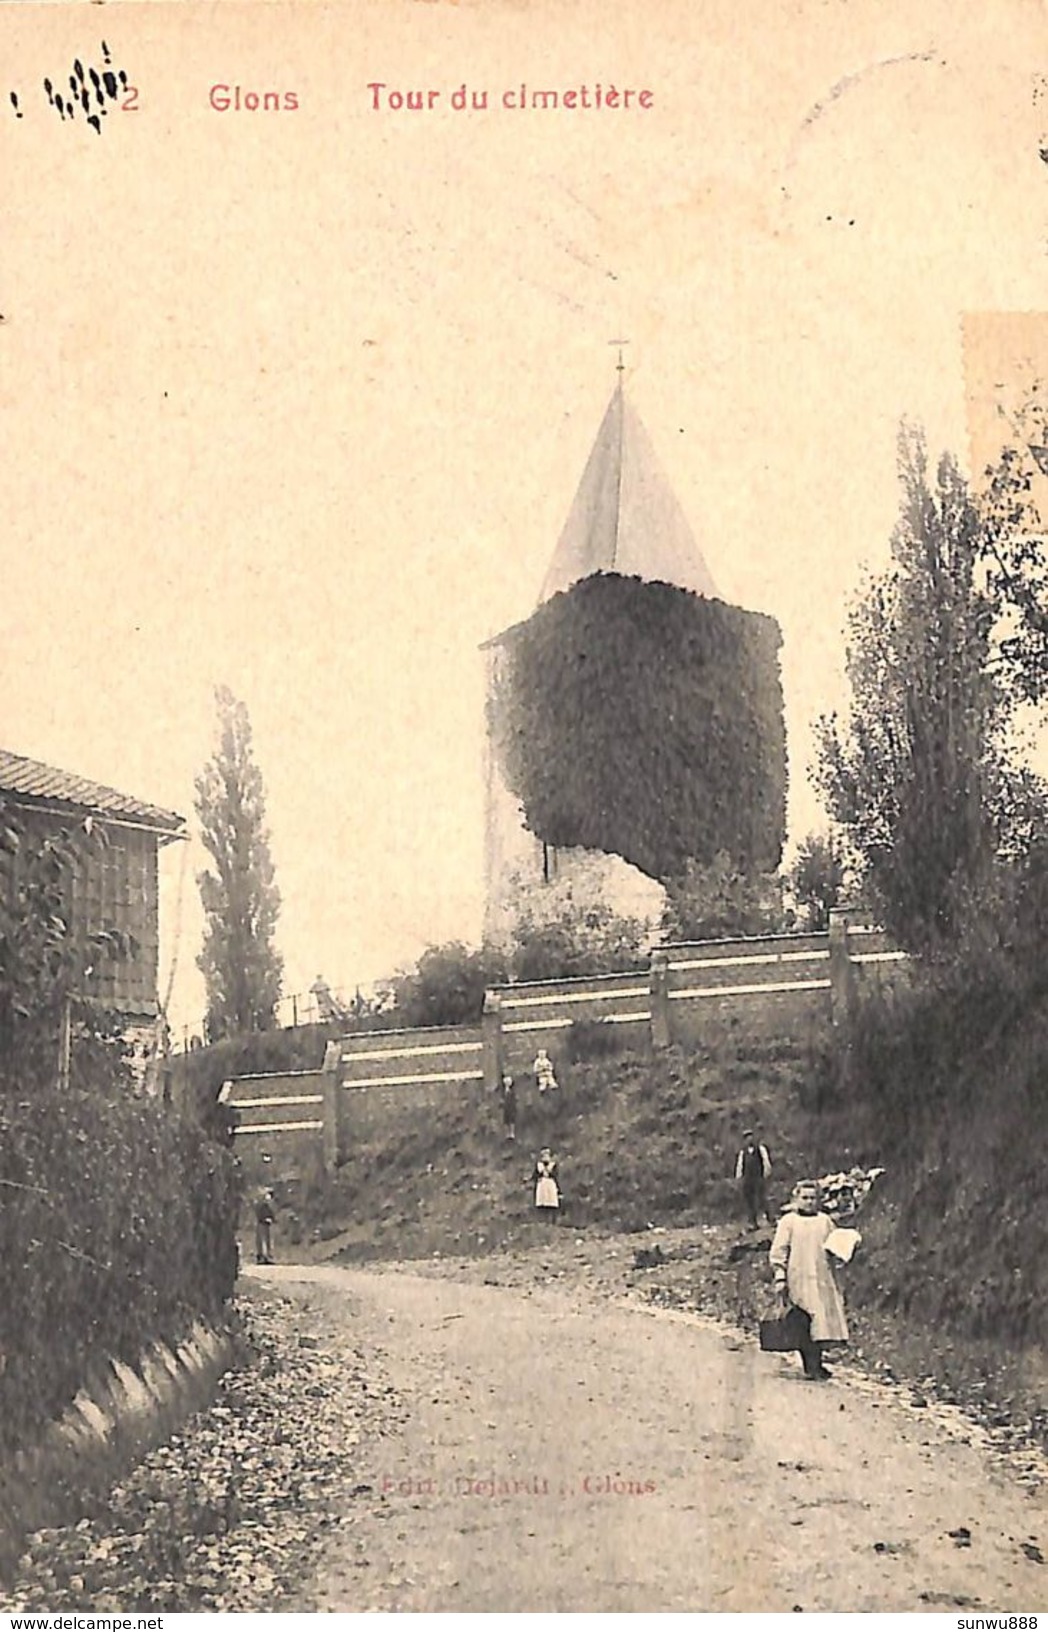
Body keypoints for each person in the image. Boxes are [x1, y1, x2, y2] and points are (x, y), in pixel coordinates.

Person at [768, 1180, 849, 1380]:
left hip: (821, 1277)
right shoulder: (789, 1222)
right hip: (798, 1277)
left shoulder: (825, 1221)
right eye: (804, 1198)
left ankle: (816, 1363)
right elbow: (780, 1250)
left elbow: (834, 1245)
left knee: (820, 1322)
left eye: (813, 1198)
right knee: (802, 1320)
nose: (809, 1202)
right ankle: (810, 1365)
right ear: (796, 1199)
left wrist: (843, 1252)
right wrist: (780, 1276)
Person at [734, 1128, 773, 1228]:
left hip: (758, 1177)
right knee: (750, 1201)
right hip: (748, 1179)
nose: (749, 1139)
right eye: (746, 1138)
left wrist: (766, 1174)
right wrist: (739, 1178)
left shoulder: (760, 1149)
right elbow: (740, 1166)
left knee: (762, 1198)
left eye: (750, 1136)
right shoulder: (743, 1153)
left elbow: (766, 1162)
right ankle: (753, 1222)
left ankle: (770, 1218)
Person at [532, 1147, 560, 1222]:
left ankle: (551, 1221)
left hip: (550, 1184)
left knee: (551, 1202)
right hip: (542, 1184)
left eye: (547, 1154)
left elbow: (556, 1175)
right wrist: (540, 1175)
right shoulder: (539, 1165)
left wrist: (549, 1173)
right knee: (542, 1202)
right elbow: (534, 1175)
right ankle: (542, 1220)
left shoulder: (553, 1165)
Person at [254, 1187, 276, 1264]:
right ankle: (263, 1257)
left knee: (266, 1240)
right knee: (263, 1240)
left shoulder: (266, 1203)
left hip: (266, 1223)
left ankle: (266, 1256)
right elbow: (261, 1212)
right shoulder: (263, 1203)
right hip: (263, 1222)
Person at [501, 1072, 517, 1141]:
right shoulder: (503, 1090)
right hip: (506, 1107)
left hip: (510, 1107)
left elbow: (513, 1099)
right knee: (506, 1120)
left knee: (511, 1120)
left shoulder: (512, 1091)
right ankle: (507, 1133)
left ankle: (512, 1133)